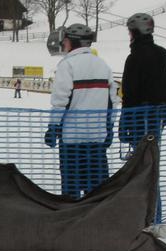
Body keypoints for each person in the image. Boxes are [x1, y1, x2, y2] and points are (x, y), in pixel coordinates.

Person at [44, 24, 118, 198]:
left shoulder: (67, 65)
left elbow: (60, 101)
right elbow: (113, 101)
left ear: (70, 42)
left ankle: (73, 220)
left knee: (71, 186)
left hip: (72, 139)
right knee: (97, 187)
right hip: (96, 137)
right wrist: (109, 128)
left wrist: (53, 127)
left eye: (66, 41)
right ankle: (96, 219)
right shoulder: (103, 65)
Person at [119, 12, 166, 148]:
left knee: (140, 158)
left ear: (135, 33)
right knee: (152, 154)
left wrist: (124, 122)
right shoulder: (162, 53)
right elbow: (164, 84)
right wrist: (165, 112)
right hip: (157, 115)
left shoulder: (133, 58)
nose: (129, 36)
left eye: (130, 32)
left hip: (138, 118)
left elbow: (129, 92)